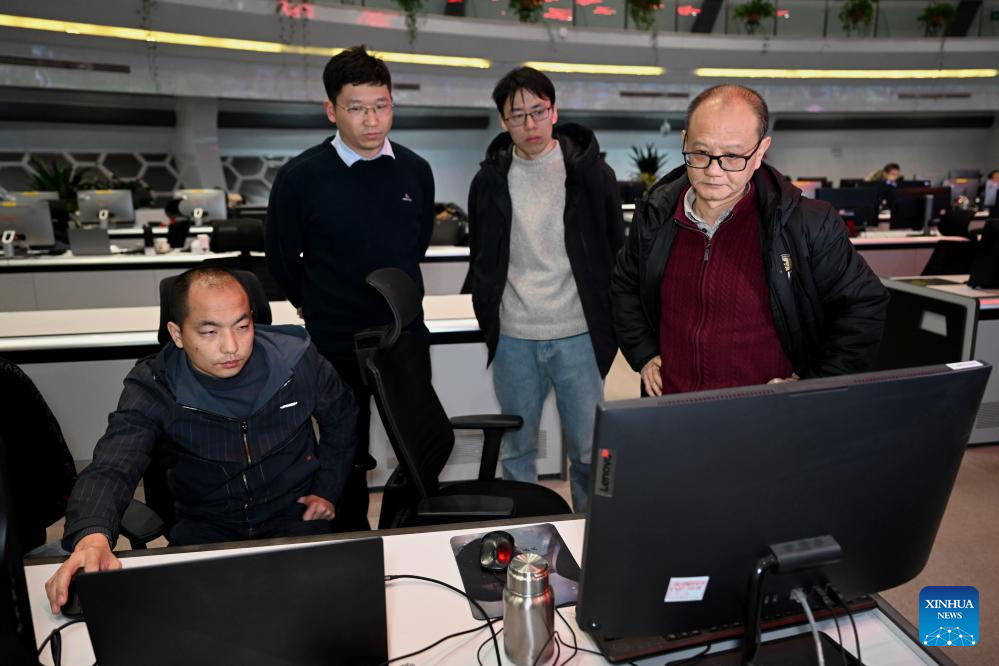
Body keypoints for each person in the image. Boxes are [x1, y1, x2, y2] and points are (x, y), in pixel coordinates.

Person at [45, 267, 357, 613]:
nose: (231, 346)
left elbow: (343, 417)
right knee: (195, 624)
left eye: (242, 326)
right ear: (177, 334)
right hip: (207, 527)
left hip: (293, 517)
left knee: (323, 614)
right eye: (209, 332)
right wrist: (91, 535)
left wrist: (328, 487)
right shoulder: (156, 384)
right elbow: (113, 464)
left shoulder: (297, 360)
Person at [612, 84, 889, 398]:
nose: (713, 171)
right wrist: (643, 352)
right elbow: (625, 286)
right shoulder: (655, 216)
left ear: (760, 152)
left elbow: (863, 305)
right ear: (684, 141)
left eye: (732, 156)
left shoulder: (806, 224)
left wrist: (816, 384)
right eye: (701, 153)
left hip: (764, 412)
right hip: (671, 404)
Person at [265, 46, 435, 531]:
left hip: (403, 336)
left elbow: (416, 244)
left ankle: (410, 532)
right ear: (331, 110)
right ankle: (353, 541)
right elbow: (280, 257)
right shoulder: (301, 177)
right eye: (357, 108)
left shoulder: (415, 170)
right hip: (336, 341)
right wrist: (311, 302)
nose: (372, 120)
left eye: (382, 106)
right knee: (346, 449)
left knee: (419, 443)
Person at [467, 66, 624, 512]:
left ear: (554, 111)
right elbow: (482, 256)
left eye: (538, 111)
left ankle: (591, 533)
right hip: (515, 337)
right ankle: (526, 532)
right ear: (503, 121)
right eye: (518, 116)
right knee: (517, 452)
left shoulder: (592, 174)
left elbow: (615, 248)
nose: (530, 124)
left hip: (578, 334)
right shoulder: (489, 181)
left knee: (590, 453)